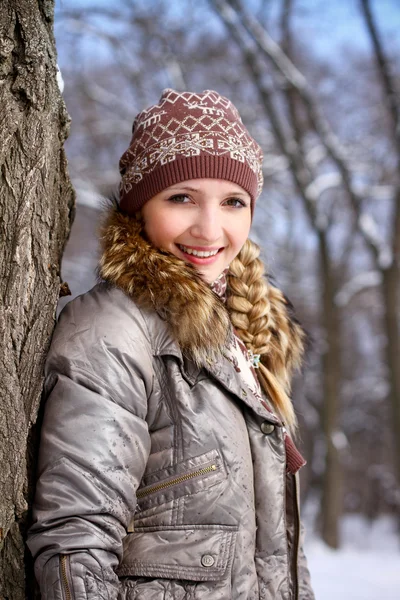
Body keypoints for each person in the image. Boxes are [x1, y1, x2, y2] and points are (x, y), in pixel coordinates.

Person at [27, 89, 315, 599]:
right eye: (181, 197)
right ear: (141, 206)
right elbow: (77, 540)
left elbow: (276, 551)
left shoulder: (247, 333)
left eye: (233, 202)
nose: (210, 229)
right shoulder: (113, 330)